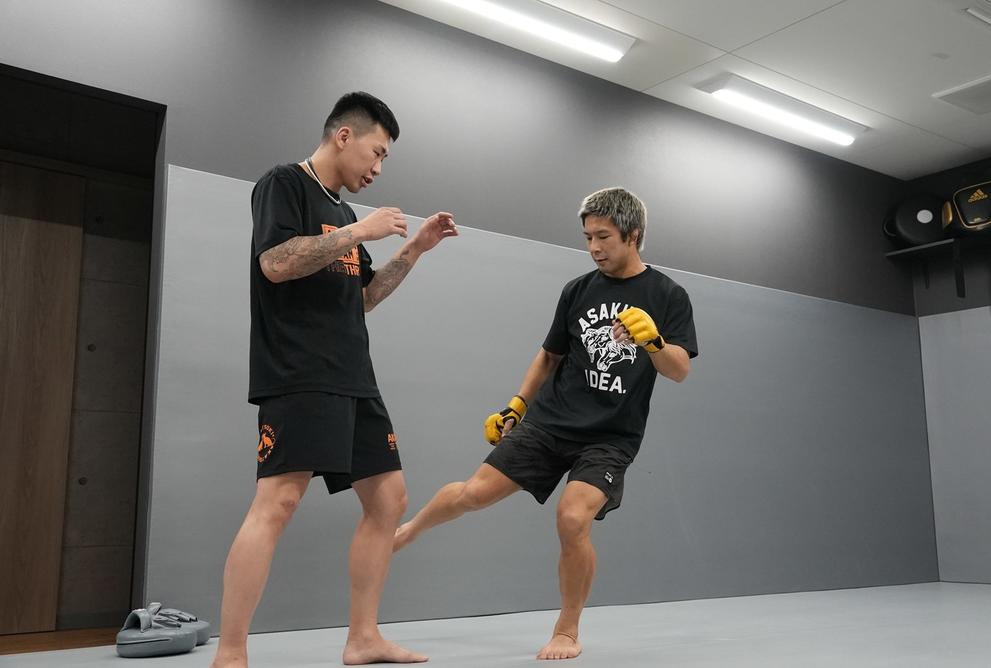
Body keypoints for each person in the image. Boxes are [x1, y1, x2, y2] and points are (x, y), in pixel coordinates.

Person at [393, 187, 697, 661]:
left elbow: (679, 370)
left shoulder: (667, 295)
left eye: (604, 237)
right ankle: (409, 531)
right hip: (551, 421)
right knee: (474, 493)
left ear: (633, 234)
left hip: (610, 436)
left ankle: (567, 631)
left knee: (572, 518)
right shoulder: (578, 290)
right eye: (588, 237)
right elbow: (550, 355)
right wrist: (516, 406)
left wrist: (654, 341)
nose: (594, 247)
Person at [210, 91, 457, 668]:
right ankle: (230, 652)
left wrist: (416, 249)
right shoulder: (284, 184)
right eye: (377, 152)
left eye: (385, 159)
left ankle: (363, 637)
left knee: (389, 499)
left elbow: (364, 296)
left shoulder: (345, 215)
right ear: (344, 136)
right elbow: (275, 263)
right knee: (278, 501)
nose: (378, 168)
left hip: (354, 377)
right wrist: (362, 231)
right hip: (299, 373)